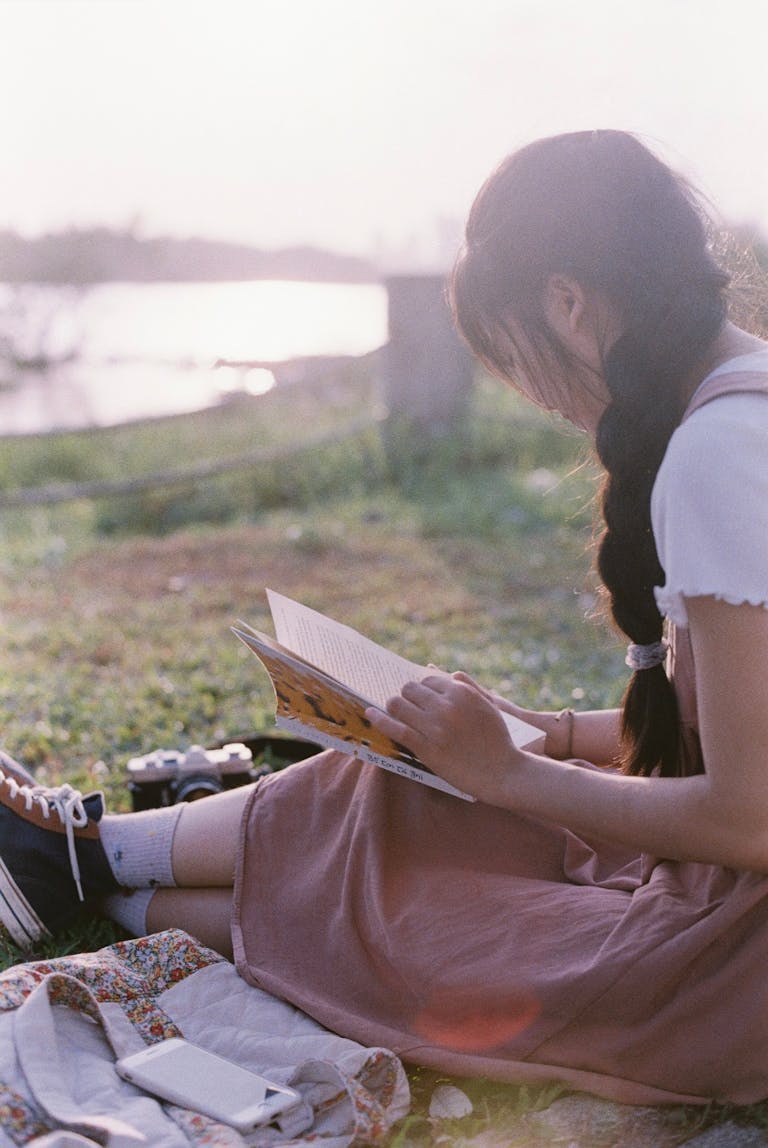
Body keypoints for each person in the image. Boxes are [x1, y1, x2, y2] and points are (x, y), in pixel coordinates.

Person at [2, 128, 768, 1106]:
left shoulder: (723, 452)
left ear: (568, 304)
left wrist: (515, 772)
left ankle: (89, 883)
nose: (533, 395)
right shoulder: (741, 409)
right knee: (407, 786)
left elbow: (750, 811)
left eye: (510, 358)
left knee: (423, 911)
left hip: (731, 959)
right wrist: (555, 736)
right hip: (722, 898)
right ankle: (84, 856)